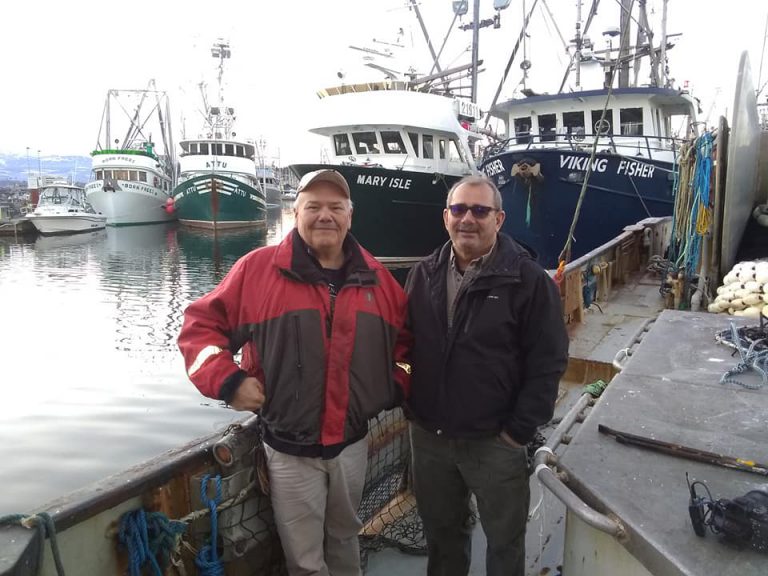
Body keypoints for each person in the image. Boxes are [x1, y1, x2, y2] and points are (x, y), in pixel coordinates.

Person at [178, 168, 411, 576]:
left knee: (345, 536)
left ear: (349, 217)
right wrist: (228, 380)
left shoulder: (379, 280)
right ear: (295, 212)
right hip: (288, 450)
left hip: (353, 443)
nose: (325, 215)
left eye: (336, 207)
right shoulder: (257, 270)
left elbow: (408, 347)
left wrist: (392, 386)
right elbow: (200, 328)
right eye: (313, 206)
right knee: (303, 559)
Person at [404, 174, 569, 576]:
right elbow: (403, 345)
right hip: (430, 437)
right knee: (441, 536)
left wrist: (518, 430)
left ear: (499, 218)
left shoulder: (528, 281)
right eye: (459, 209)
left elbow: (548, 361)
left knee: (504, 540)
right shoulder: (422, 274)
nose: (468, 219)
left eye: (480, 211)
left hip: (495, 440)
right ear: (446, 217)